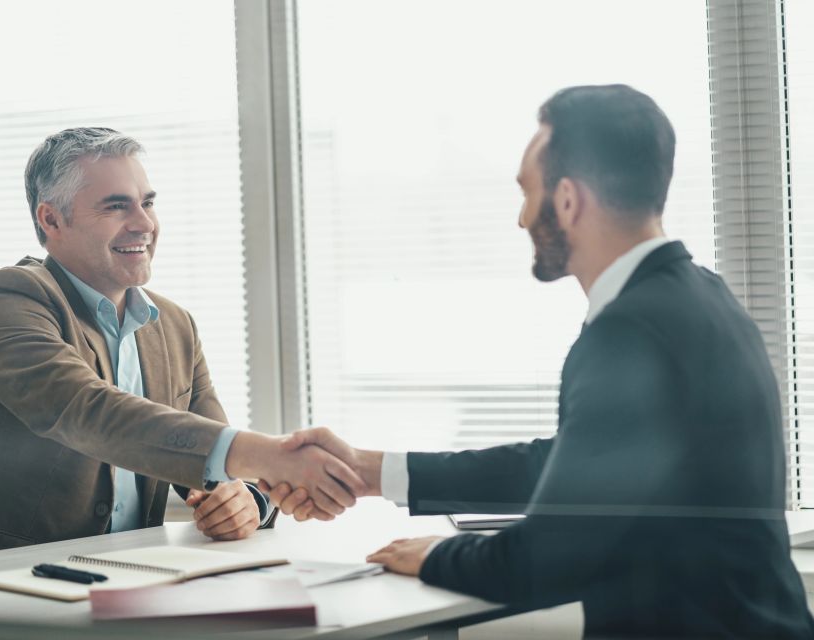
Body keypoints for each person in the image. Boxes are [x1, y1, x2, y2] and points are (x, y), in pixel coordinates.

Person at [263, 86, 814, 637]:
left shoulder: (628, 332)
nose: (523, 217)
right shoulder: (704, 297)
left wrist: (434, 555)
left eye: (528, 191)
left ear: (569, 200)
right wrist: (372, 471)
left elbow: (541, 563)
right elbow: (568, 467)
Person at [0, 127, 363, 561]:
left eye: (147, 203)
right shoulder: (9, 299)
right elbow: (86, 412)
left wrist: (245, 500)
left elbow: (212, 456)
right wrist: (271, 455)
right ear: (51, 219)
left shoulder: (173, 325)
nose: (144, 223)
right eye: (115, 207)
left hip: (122, 578)